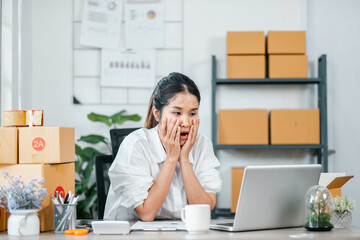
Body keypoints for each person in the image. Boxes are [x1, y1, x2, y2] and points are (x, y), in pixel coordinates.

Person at [104, 72, 222, 221]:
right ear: (157, 114)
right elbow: (146, 214)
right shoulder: (135, 145)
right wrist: (172, 158)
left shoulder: (202, 145)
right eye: (177, 113)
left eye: (192, 113)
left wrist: (184, 159)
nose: (186, 122)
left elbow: (205, 207)